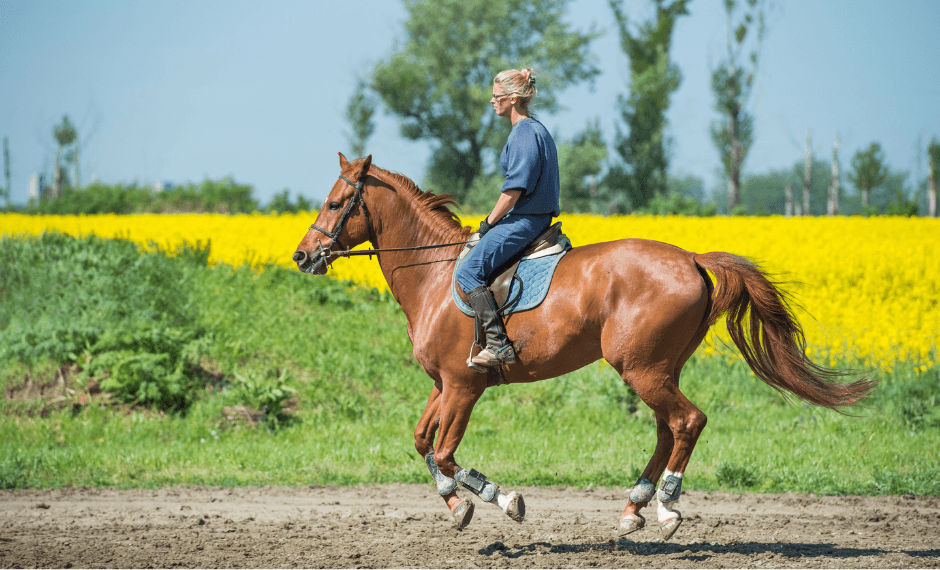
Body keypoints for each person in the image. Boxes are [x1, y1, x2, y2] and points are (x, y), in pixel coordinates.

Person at [454, 67, 561, 369]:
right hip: (531, 218)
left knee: (468, 270)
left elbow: (514, 190)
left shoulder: (525, 132)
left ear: (513, 99)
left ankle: (499, 344)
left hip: (526, 220)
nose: (492, 101)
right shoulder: (536, 129)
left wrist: (488, 223)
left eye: (496, 96)